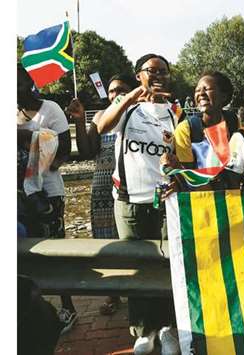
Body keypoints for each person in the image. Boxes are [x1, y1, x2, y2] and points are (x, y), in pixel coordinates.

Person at [97, 53, 180, 355]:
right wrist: (132, 95)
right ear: (139, 74)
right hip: (130, 202)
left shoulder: (176, 111)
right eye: (150, 71)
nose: (158, 76)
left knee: (169, 266)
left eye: (163, 71)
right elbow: (102, 127)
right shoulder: (127, 109)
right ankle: (144, 330)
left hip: (167, 202)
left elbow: (186, 155)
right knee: (137, 267)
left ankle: (169, 328)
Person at [65, 73, 135, 316]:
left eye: (122, 90)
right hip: (104, 186)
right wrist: (77, 120)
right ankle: (113, 294)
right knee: (106, 241)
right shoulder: (99, 117)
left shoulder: (139, 115)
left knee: (134, 239)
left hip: (130, 187)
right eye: (112, 90)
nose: (116, 94)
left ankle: (139, 293)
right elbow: (86, 151)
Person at [17, 63, 77, 334]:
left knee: (54, 249)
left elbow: (63, 151)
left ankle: (68, 307)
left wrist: (29, 140)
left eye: (17, 82)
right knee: (25, 253)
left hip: (48, 192)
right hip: (17, 195)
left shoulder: (50, 109)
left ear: (29, 83)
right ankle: (31, 309)